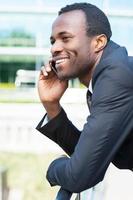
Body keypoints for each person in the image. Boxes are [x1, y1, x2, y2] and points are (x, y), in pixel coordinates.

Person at [36, 2, 133, 199]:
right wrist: (51, 105)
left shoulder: (116, 76)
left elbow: (80, 175)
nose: (55, 48)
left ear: (98, 43)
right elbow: (91, 154)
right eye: (53, 41)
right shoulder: (107, 76)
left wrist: (54, 167)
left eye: (66, 38)